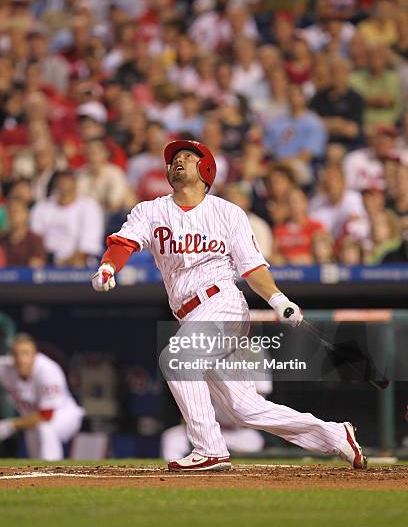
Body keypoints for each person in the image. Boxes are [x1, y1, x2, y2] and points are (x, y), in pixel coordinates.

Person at [91, 139, 366, 472]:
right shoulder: (150, 210)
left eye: (188, 157)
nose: (178, 161)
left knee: (177, 356)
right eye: (174, 158)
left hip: (222, 301)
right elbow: (123, 242)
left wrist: (278, 299)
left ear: (206, 169)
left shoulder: (227, 212)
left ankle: (209, 448)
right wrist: (109, 266)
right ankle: (335, 435)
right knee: (244, 408)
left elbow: (252, 268)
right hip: (189, 314)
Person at [0, 333, 84, 460]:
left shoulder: (47, 370)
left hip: (62, 415)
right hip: (31, 419)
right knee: (36, 459)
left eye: (26, 353)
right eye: (16, 353)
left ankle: (51, 474)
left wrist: (10, 425)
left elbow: (46, 415)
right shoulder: (5, 368)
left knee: (46, 428)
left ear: (35, 355)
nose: (21, 358)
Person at [30, 170, 104, 266]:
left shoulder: (89, 207)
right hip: (46, 262)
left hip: (79, 264)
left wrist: (63, 263)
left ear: (75, 184)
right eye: (61, 181)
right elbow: (35, 239)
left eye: (67, 181)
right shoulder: (42, 207)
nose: (63, 185)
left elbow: (88, 247)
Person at [0, 198, 46, 267]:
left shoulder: (35, 240)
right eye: (9, 212)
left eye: (16, 212)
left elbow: (36, 267)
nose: (12, 216)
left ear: (26, 215)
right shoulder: (2, 240)